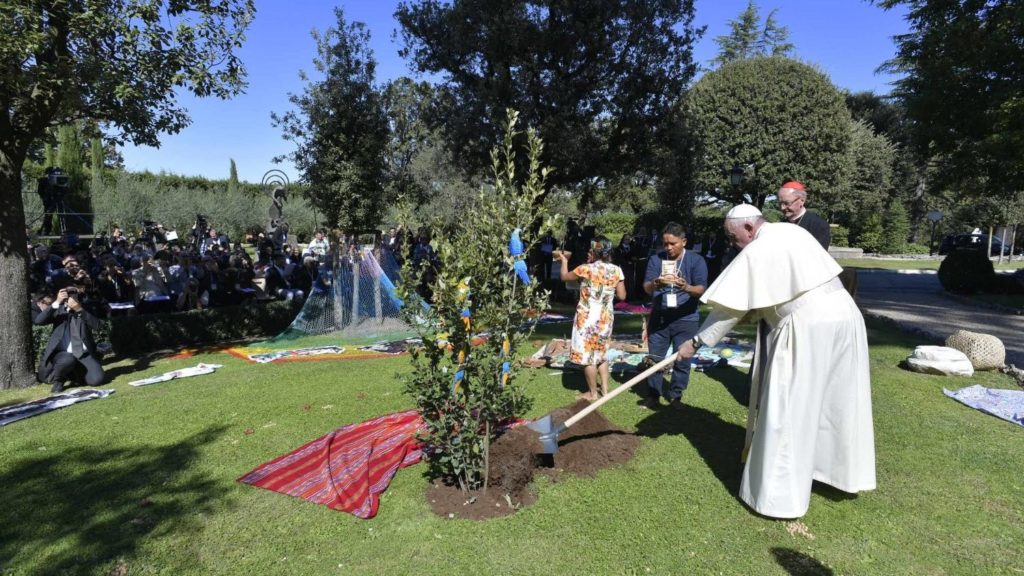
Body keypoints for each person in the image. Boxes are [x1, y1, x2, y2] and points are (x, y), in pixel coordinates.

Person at [674, 204, 875, 519]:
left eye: (733, 237)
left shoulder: (758, 249)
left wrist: (697, 341)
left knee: (789, 405)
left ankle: (778, 498)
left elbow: (730, 310)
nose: (733, 244)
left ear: (750, 229)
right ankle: (833, 473)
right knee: (835, 398)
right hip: (844, 316)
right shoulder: (792, 232)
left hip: (806, 326)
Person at [641, 222, 708, 410]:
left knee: (682, 359)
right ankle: (653, 395)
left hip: (686, 319)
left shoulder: (696, 261)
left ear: (684, 242)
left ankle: (675, 396)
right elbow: (646, 287)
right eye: (665, 244)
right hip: (660, 318)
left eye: (673, 243)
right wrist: (656, 283)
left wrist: (685, 287)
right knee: (655, 358)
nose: (668, 248)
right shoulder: (656, 260)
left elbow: (702, 289)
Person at [558, 236, 626, 401]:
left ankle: (593, 393)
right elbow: (622, 296)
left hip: (587, 317)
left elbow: (564, 277)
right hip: (605, 317)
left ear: (595, 252)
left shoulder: (585, 269)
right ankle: (605, 389)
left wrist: (564, 260)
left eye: (590, 250)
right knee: (601, 353)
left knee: (588, 357)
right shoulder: (617, 270)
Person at [35, 287, 106, 393]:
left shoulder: (85, 309)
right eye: (68, 293)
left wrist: (79, 309)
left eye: (74, 293)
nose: (72, 296)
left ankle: (74, 375)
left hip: (83, 354)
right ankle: (59, 380)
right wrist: (57, 301)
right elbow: (39, 321)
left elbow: (99, 326)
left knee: (97, 379)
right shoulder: (58, 310)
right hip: (62, 354)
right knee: (68, 359)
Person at [777, 180, 829, 249]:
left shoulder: (818, 225)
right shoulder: (781, 224)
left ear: (802, 201)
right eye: (780, 203)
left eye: (787, 203)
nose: (782, 207)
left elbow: (820, 256)